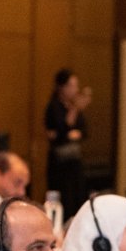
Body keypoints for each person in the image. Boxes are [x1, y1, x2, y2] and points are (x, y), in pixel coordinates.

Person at [44, 68, 91, 217]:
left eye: (76, 86)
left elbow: (83, 132)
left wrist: (71, 132)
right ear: (61, 87)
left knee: (78, 197)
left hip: (74, 160)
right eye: (71, 85)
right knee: (63, 200)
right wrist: (75, 110)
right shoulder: (53, 106)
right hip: (59, 162)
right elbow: (61, 130)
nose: (75, 89)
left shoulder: (72, 107)